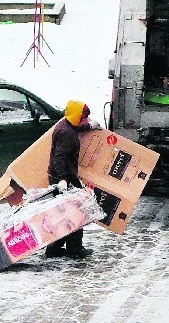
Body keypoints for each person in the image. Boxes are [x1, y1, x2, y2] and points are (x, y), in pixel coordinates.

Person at [45, 100, 101, 259]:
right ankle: (73, 249)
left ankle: (56, 249)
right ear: (76, 115)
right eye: (83, 118)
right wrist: (63, 179)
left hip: (63, 176)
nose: (84, 121)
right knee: (77, 211)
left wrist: (89, 127)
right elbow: (59, 157)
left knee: (65, 214)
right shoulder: (66, 134)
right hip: (63, 178)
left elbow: (76, 126)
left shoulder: (66, 124)